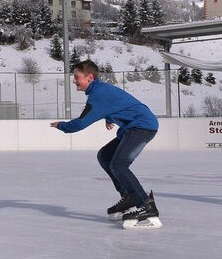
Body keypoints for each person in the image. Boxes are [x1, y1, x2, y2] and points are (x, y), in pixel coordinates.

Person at [50, 60, 162, 230]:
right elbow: (117, 103)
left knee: (119, 164)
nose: (74, 80)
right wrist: (109, 118)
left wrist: (62, 125)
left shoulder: (98, 95)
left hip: (142, 127)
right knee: (105, 156)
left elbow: (80, 123)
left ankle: (145, 205)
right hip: (134, 127)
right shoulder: (101, 90)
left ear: (89, 77)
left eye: (76, 77)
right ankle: (129, 197)